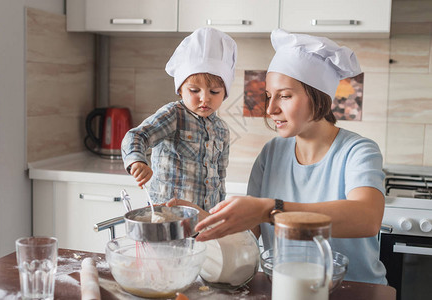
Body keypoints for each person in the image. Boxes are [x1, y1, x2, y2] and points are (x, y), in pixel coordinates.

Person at [194, 29, 387, 285]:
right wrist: (207, 224)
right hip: (288, 286)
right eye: (268, 97)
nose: (271, 109)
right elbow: (248, 235)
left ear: (319, 98)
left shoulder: (358, 151)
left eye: (284, 96)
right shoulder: (271, 153)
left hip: (354, 289)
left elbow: (366, 218)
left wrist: (269, 210)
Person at [121, 27, 237, 211]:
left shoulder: (222, 129)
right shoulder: (174, 115)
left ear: (224, 93)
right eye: (194, 90)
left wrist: (219, 210)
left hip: (203, 218)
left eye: (214, 92)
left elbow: (220, 176)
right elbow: (136, 136)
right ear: (180, 89)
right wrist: (137, 161)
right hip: (168, 216)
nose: (205, 98)